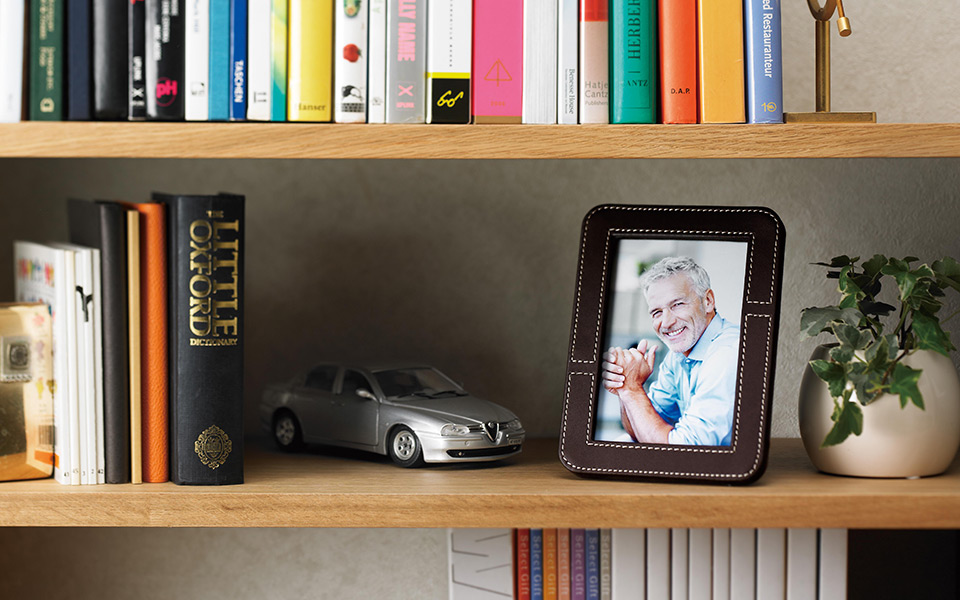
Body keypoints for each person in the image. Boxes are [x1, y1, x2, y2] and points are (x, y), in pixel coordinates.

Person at [602, 256, 740, 446]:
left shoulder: (727, 354)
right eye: (657, 312)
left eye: (677, 304)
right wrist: (625, 386)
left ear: (708, 301)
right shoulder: (678, 355)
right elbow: (642, 431)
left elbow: (684, 449)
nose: (666, 322)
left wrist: (633, 390)